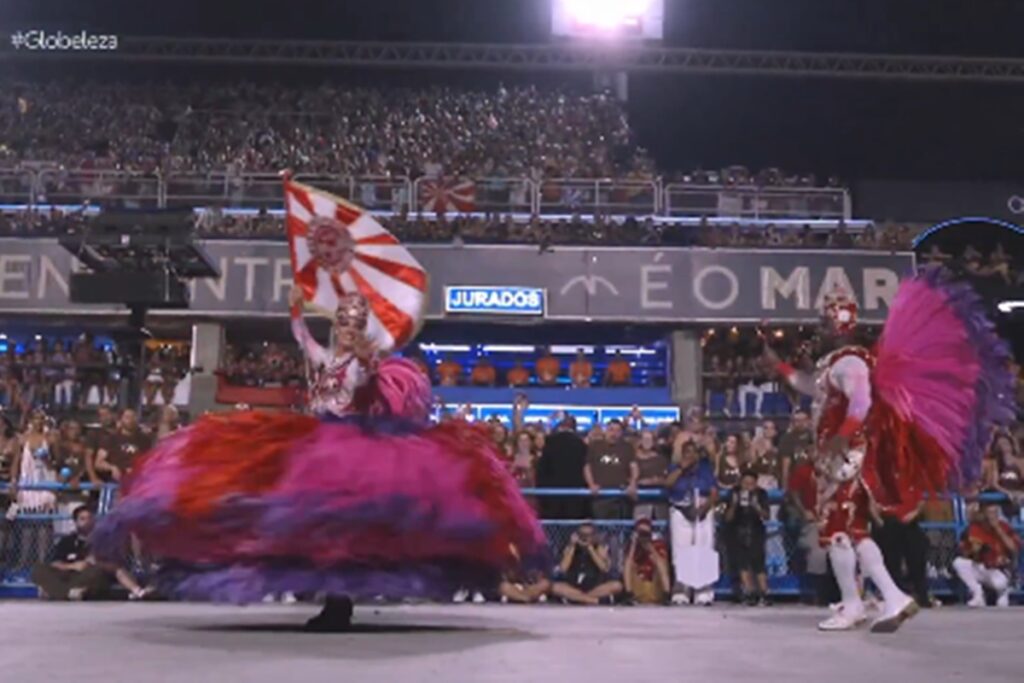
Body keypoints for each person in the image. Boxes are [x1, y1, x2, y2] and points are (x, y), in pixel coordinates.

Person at [92, 198, 545, 632]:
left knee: (341, 527)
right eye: (341, 320)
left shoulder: (359, 366)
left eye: (352, 321)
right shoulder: (324, 357)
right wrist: (295, 302)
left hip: (349, 449)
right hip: (314, 440)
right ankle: (330, 600)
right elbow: (302, 337)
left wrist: (368, 361)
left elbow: (366, 380)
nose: (345, 326)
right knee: (294, 519)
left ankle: (339, 603)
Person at [765, 268, 1015, 632]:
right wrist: (779, 366)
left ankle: (852, 604)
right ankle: (893, 598)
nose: (818, 329)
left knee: (835, 532)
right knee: (858, 534)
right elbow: (809, 386)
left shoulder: (850, 362)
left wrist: (841, 437)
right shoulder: (834, 365)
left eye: (824, 321)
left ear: (838, 325)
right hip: (845, 457)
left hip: (844, 460)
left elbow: (861, 402)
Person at [31, 505, 149, 601]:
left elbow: (113, 565)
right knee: (38, 569)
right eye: (82, 519)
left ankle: (56, 592)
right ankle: (68, 593)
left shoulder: (102, 539)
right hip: (70, 574)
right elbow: (55, 562)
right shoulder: (67, 540)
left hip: (90, 575)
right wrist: (73, 566)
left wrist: (91, 563)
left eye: (89, 518)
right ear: (76, 522)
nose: (87, 521)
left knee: (96, 573)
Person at [665, 437, 719, 605]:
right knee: (681, 550)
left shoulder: (705, 469)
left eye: (692, 452)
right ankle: (682, 589)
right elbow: (668, 484)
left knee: (704, 548)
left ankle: (703, 589)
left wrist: (706, 507)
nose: (689, 455)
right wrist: (682, 468)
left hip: (702, 510)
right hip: (681, 510)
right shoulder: (675, 468)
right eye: (685, 452)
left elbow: (714, 492)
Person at [952, 502, 1020, 608]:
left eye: (996, 512)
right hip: (981, 566)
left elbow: (1014, 548)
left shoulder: (1004, 526)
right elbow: (965, 552)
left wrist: (998, 529)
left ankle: (1003, 593)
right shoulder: (975, 527)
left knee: (1000, 585)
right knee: (958, 563)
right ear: (983, 513)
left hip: (999, 569)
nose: (993, 516)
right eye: (990, 513)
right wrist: (974, 551)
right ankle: (978, 594)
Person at [725, 471, 771, 605]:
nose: (747, 487)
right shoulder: (734, 493)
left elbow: (766, 516)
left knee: (758, 562)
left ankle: (764, 592)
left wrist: (756, 506)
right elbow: (728, 518)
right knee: (742, 562)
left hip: (756, 529)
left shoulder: (761, 494)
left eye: (751, 484)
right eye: (745, 484)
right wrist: (734, 504)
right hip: (738, 529)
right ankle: (749, 592)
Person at [550, 522, 624, 605]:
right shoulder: (570, 548)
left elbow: (604, 568)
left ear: (594, 536)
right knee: (555, 587)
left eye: (588, 535)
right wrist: (573, 546)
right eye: (582, 535)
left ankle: (577, 599)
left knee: (617, 586)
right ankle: (593, 601)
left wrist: (590, 548)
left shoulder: (599, 548)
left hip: (594, 587)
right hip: (574, 586)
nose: (585, 538)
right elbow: (563, 568)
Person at [535, 416, 589, 519]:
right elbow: (585, 469)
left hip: (552, 497)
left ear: (560, 426)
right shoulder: (581, 445)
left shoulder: (550, 442)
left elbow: (542, 471)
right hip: (576, 497)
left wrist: (542, 494)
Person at [584, 419, 638, 520]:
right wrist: (591, 484)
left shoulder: (627, 447)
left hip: (621, 495)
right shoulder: (595, 446)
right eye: (611, 430)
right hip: (600, 496)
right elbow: (587, 467)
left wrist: (633, 483)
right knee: (601, 528)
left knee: (621, 528)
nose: (614, 434)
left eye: (618, 431)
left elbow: (633, 467)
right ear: (606, 431)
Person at [623, 517, 671, 605]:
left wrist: (651, 548)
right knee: (628, 563)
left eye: (646, 534)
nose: (643, 537)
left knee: (661, 563)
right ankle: (628, 595)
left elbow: (662, 565)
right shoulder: (633, 547)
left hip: (654, 587)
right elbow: (628, 564)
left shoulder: (658, 545)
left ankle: (666, 594)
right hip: (639, 586)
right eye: (641, 534)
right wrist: (634, 545)